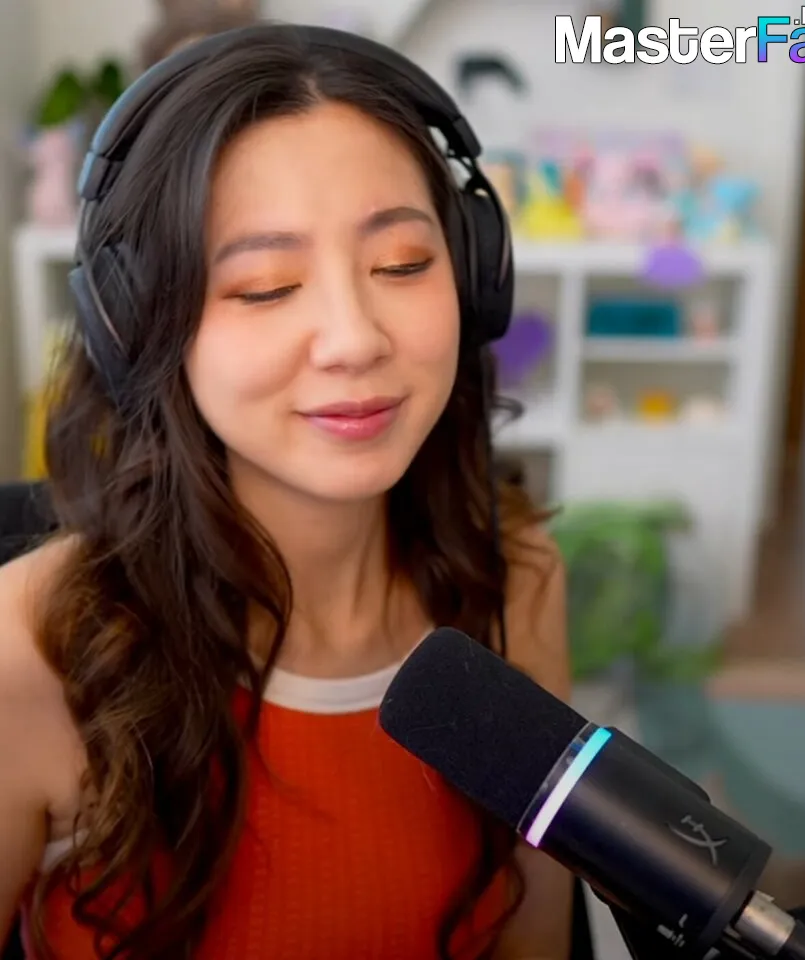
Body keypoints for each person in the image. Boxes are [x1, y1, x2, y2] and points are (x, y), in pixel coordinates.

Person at [0, 22, 572, 960]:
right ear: (134, 321)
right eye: (265, 286)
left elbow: (537, 942)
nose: (354, 339)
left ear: (473, 272)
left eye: (402, 264)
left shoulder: (516, 580)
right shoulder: (25, 656)